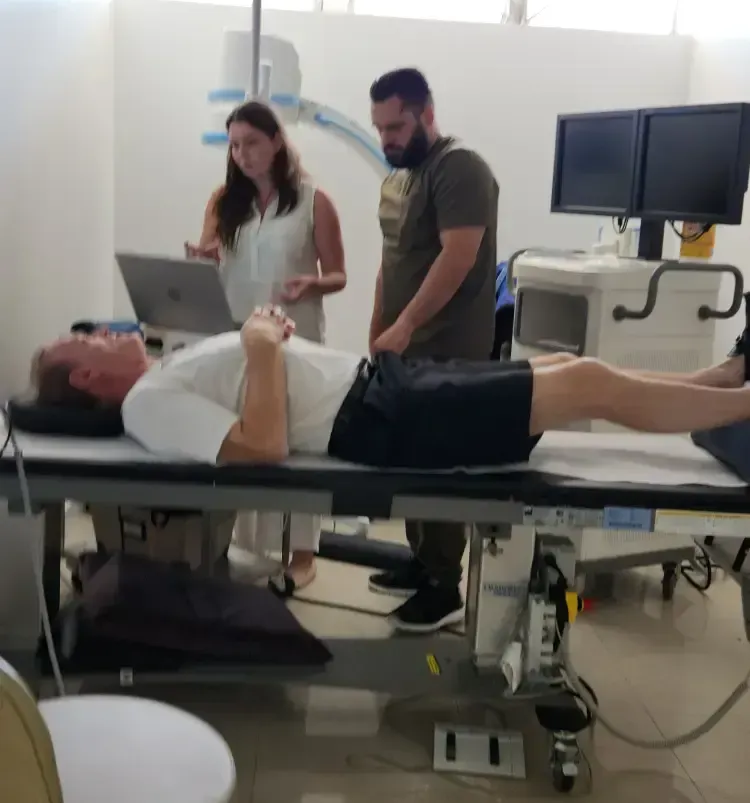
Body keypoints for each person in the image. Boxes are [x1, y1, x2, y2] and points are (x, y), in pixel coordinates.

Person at [31, 313, 750, 485]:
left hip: (382, 391)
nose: (100, 334)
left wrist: (265, 339)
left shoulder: (158, 376)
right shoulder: (145, 405)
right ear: (90, 382)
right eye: (85, 344)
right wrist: (259, 345)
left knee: (567, 366)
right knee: (584, 386)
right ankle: (742, 404)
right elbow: (260, 447)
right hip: (381, 424)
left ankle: (716, 384)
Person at [186, 100, 346, 589]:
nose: (242, 154)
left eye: (251, 143)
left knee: (300, 445)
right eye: (234, 145)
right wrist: (202, 258)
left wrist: (309, 285)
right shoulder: (222, 201)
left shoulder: (314, 201)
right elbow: (211, 256)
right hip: (237, 339)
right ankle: (240, 546)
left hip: (295, 339)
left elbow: (338, 274)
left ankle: (302, 553)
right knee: (244, 438)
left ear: (276, 141)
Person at [368, 67, 499, 631]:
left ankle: (445, 586)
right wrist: (379, 328)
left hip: (449, 351)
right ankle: (423, 563)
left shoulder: (459, 168)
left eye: (396, 126)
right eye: (380, 129)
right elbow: (390, 262)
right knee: (412, 466)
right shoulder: (399, 177)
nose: (387, 139)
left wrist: (408, 324)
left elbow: (459, 256)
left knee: (442, 470)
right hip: (405, 351)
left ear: (426, 112)